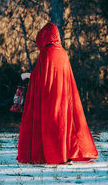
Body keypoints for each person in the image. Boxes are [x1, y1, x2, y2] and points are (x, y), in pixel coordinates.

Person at [17, 22, 98, 164]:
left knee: (52, 127)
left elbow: (38, 78)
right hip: (65, 98)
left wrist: (26, 76)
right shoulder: (63, 53)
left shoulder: (46, 54)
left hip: (49, 99)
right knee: (64, 125)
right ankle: (66, 153)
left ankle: (56, 156)